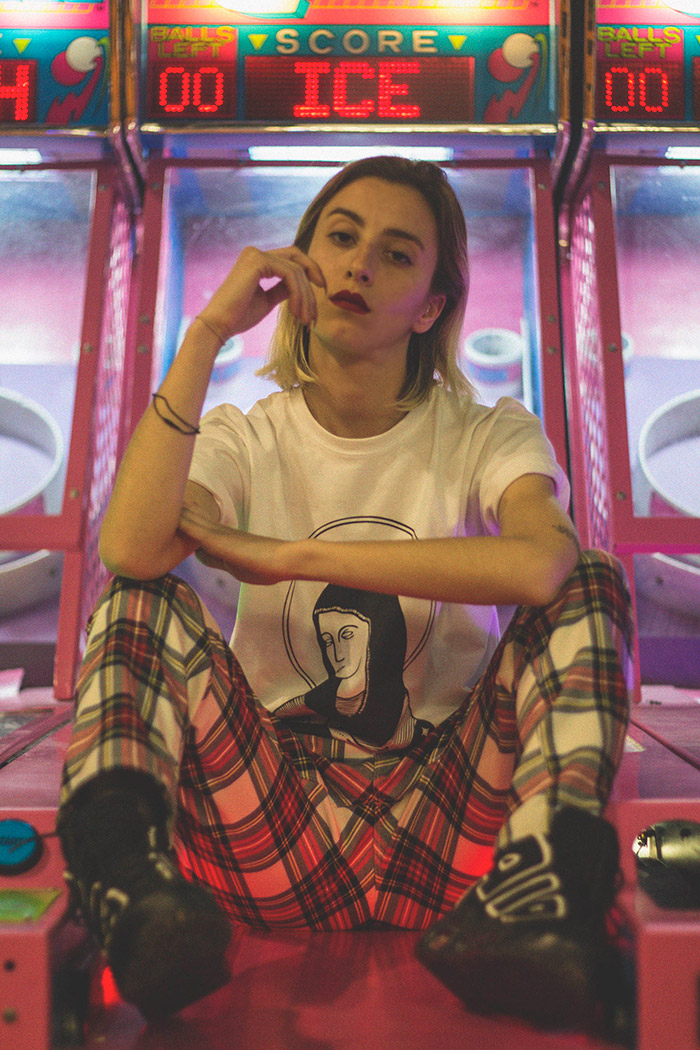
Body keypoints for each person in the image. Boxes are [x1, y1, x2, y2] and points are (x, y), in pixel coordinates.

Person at [56, 156, 633, 1031]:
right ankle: (129, 891)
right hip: (274, 818)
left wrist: (290, 556)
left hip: (450, 825)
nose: (359, 264)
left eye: (397, 255)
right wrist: (208, 331)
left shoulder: (489, 432)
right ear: (301, 266)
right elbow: (131, 549)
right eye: (341, 237)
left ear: (431, 306)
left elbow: (542, 564)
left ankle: (541, 896)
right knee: (142, 600)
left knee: (590, 576)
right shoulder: (243, 434)